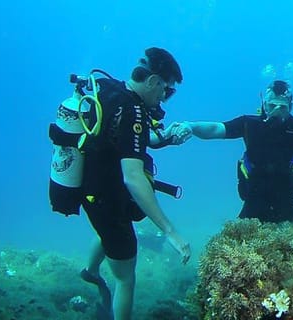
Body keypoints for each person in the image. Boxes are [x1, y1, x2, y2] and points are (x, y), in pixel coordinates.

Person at [76, 47, 192, 320]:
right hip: (107, 198)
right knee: (126, 279)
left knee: (108, 231)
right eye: (167, 90)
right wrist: (170, 231)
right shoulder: (135, 112)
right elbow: (133, 176)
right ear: (153, 82)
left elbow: (127, 139)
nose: (165, 97)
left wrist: (166, 139)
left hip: (89, 189)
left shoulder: (109, 89)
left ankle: (90, 272)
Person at [176, 80, 293, 222]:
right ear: (264, 104)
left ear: (290, 106)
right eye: (272, 106)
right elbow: (217, 128)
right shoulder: (250, 125)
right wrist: (191, 126)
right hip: (254, 204)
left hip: (292, 206)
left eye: (282, 107)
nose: (277, 112)